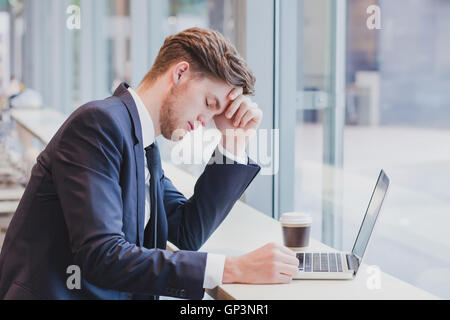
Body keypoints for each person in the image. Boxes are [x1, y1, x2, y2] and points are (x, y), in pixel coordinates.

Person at [0, 28, 299, 300]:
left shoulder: (143, 144)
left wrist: (231, 144)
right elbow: (101, 255)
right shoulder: (98, 125)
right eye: (209, 104)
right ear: (180, 73)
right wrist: (232, 268)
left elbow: (185, 233)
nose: (206, 122)